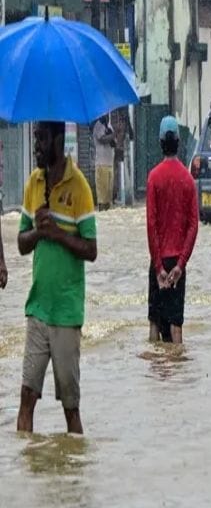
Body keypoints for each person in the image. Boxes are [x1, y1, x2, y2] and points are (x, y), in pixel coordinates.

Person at [15, 121, 97, 434]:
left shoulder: (80, 188)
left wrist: (58, 233)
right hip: (37, 309)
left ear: (59, 141)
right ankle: (29, 473)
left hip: (65, 313)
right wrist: (38, 231)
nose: (36, 145)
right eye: (35, 138)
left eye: (42, 139)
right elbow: (22, 244)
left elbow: (91, 250)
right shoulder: (34, 183)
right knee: (26, 396)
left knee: (70, 407)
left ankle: (73, 475)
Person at [145, 116, 199, 344]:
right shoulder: (188, 180)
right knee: (176, 326)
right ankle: (179, 375)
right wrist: (180, 265)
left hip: (159, 263)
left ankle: (154, 379)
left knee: (154, 324)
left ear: (160, 143)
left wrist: (158, 268)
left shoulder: (153, 178)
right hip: (178, 262)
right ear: (179, 142)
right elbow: (193, 226)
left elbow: (151, 225)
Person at [110, 106, 134, 206]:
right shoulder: (115, 121)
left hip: (120, 149)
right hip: (116, 149)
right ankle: (115, 195)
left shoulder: (122, 122)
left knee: (119, 170)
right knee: (115, 171)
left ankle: (118, 195)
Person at [92, 115, 114, 211]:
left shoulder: (109, 126)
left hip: (109, 163)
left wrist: (114, 135)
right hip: (101, 164)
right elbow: (103, 139)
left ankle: (107, 214)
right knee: (102, 197)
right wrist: (113, 135)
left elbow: (114, 143)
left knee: (108, 196)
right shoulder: (98, 126)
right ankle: (102, 212)